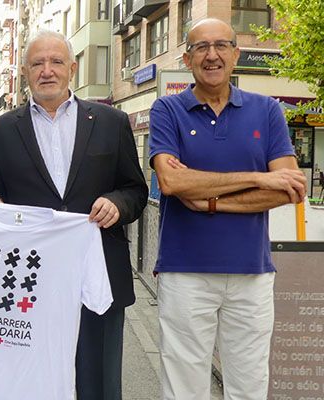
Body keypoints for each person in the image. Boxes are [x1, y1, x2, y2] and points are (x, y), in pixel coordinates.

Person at [0, 30, 147, 400]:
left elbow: (136, 190)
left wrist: (117, 205)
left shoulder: (110, 122)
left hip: (100, 277)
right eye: (37, 63)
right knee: (32, 383)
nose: (47, 70)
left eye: (56, 61)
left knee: (100, 384)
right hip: (31, 284)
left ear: (72, 68)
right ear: (25, 71)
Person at [149, 18, 306, 400]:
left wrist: (212, 200)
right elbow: (172, 183)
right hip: (185, 272)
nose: (212, 55)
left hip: (251, 272)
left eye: (221, 45)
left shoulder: (267, 110)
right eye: (201, 47)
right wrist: (260, 179)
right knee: (183, 385)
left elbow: (291, 188)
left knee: (249, 385)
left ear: (236, 54)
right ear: (187, 58)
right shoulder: (167, 110)